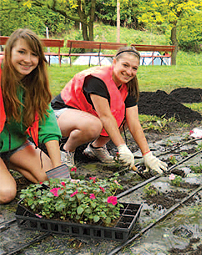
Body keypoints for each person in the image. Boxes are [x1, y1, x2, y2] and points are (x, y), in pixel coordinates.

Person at [51, 47, 168, 174]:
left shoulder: (129, 85)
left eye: (134, 68)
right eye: (125, 65)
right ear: (114, 62)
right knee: (94, 125)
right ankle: (67, 150)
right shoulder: (97, 79)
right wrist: (122, 147)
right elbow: (105, 117)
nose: (129, 72)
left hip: (85, 116)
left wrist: (147, 155)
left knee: (124, 118)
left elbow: (133, 122)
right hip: (59, 114)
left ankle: (96, 148)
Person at [0, 29, 67, 204]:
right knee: (6, 193)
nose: (28, 60)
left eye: (34, 55)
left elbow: (48, 124)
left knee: (49, 179)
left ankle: (8, 163)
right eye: (21, 52)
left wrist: (58, 168)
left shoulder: (35, 83)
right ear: (9, 52)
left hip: (16, 143)